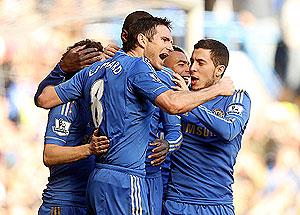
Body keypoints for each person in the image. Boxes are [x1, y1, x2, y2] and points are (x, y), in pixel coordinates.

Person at [36, 17, 234, 214]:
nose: (170, 46)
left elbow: (44, 99)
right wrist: (217, 90)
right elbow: (173, 104)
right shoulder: (139, 68)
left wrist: (60, 68)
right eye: (164, 40)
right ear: (142, 40)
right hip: (127, 179)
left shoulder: (94, 70)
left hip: (98, 178)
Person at [163, 39, 251, 215]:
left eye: (200, 63)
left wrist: (189, 101)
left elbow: (229, 130)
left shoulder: (237, 98)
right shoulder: (176, 99)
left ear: (219, 70)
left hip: (216, 203)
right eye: (192, 61)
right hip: (177, 202)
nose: (192, 68)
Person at [37, 39, 110, 215]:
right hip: (63, 205)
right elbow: (50, 154)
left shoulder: (99, 104)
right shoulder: (66, 104)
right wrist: (89, 149)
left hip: (89, 202)